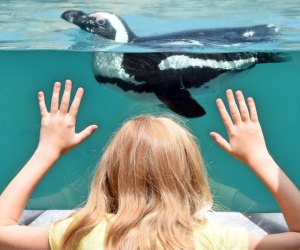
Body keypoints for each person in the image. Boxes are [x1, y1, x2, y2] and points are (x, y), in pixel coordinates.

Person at [0, 80, 300, 250]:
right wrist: (259, 157)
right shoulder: (213, 239)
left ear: (108, 173)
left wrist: (47, 150)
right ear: (192, 173)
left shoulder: (79, 233)